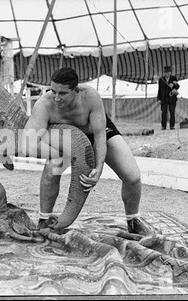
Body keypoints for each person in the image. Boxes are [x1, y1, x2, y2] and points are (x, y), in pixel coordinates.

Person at [21, 67, 151, 235]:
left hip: (93, 132)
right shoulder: (44, 105)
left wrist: (98, 168)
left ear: (75, 91)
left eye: (62, 93)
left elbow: (99, 136)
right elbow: (29, 140)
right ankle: (44, 220)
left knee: (132, 176)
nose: (56, 98)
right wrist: (56, 153)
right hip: (65, 138)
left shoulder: (90, 96)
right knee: (52, 170)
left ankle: (133, 220)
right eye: (53, 91)